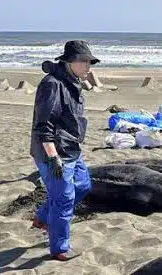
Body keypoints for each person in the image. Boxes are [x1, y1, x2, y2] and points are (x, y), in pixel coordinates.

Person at [30, 40, 99, 261]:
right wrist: (53, 158)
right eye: (84, 61)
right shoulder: (52, 84)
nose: (88, 66)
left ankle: (43, 217)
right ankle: (60, 249)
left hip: (71, 148)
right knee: (64, 200)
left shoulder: (73, 82)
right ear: (69, 62)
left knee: (84, 185)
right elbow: (44, 125)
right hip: (54, 153)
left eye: (90, 61)